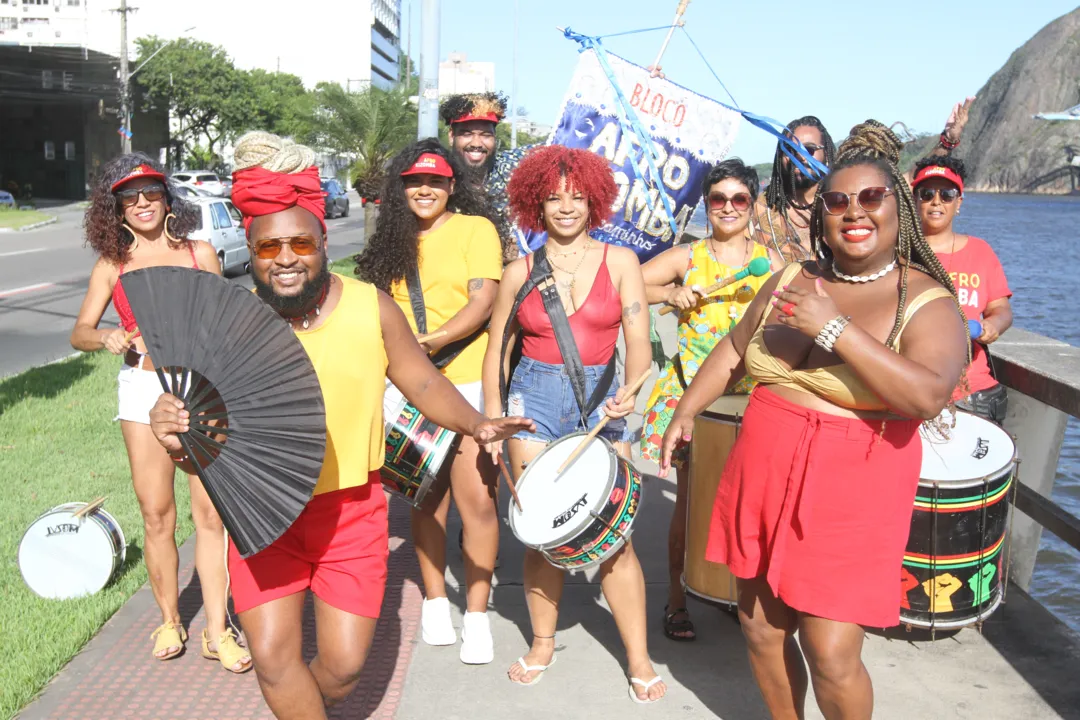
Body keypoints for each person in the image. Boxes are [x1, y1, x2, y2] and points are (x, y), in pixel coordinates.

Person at [148, 131, 533, 719]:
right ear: (248, 254)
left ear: (324, 242)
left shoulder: (368, 305)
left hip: (350, 511)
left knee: (344, 668)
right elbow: (196, 431)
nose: (285, 259)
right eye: (268, 248)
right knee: (275, 659)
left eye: (300, 243)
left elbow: (424, 382)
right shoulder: (226, 321)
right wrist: (170, 428)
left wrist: (477, 424)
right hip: (262, 511)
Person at [660, 121, 969, 719]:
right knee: (758, 627)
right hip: (764, 466)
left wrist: (833, 327)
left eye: (871, 198)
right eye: (837, 200)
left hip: (851, 483)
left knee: (830, 649)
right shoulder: (791, 277)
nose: (854, 211)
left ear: (897, 208)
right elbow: (731, 349)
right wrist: (684, 411)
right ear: (821, 214)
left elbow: (928, 396)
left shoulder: (926, 299)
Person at [482, 144, 667, 704]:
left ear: (595, 200)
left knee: (616, 538)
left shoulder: (621, 263)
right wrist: (492, 419)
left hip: (604, 399)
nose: (566, 207)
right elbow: (498, 350)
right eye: (554, 197)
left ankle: (638, 657)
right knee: (541, 534)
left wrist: (629, 396)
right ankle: (542, 644)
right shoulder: (518, 271)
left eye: (577, 195)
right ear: (535, 203)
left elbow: (638, 342)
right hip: (533, 398)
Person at [70, 154, 251, 673]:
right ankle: (170, 618)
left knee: (211, 513)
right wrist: (102, 335)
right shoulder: (113, 264)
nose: (143, 203)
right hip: (141, 386)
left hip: (201, 387)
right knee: (156, 514)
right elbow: (80, 330)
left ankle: (219, 630)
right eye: (130, 197)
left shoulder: (199, 253)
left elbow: (225, 320)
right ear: (117, 210)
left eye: (151, 193)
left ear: (168, 200)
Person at [355, 139, 505, 665]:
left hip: (462, 380)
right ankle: (437, 601)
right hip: (405, 388)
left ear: (452, 185)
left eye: (437, 181)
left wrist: (434, 341)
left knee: (479, 504)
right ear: (400, 188)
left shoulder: (475, 229)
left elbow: (483, 299)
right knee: (425, 500)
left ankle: (480, 614)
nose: (425, 189)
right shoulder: (387, 240)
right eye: (414, 182)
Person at [639, 158, 783, 641]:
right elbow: (632, 282)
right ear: (706, 203)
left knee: (743, 506)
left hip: (750, 400)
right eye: (717, 198)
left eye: (738, 199)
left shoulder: (770, 263)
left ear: (752, 204)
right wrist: (672, 292)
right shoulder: (688, 255)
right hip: (691, 398)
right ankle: (677, 598)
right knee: (690, 503)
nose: (727, 207)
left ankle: (727, 589)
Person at [912, 156, 1012, 424]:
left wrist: (992, 326)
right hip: (912, 393)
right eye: (926, 194)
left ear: (959, 204)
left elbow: (1001, 309)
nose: (936, 201)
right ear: (914, 201)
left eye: (946, 194)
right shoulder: (899, 255)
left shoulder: (981, 252)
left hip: (974, 395)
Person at [440, 91, 533, 261]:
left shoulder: (513, 166)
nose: (476, 143)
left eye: (485, 135)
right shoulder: (438, 179)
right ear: (452, 136)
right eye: (467, 134)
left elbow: (564, 144)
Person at [749, 116, 837, 263]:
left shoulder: (842, 204)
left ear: (826, 154)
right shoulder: (759, 209)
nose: (800, 156)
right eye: (790, 150)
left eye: (809, 149)